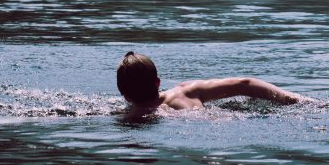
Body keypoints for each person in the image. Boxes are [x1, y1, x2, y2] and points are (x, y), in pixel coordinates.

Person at [116, 51, 306, 112]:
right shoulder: (187, 90)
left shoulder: (133, 118)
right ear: (157, 83)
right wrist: (294, 99)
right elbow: (244, 83)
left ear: (124, 95)